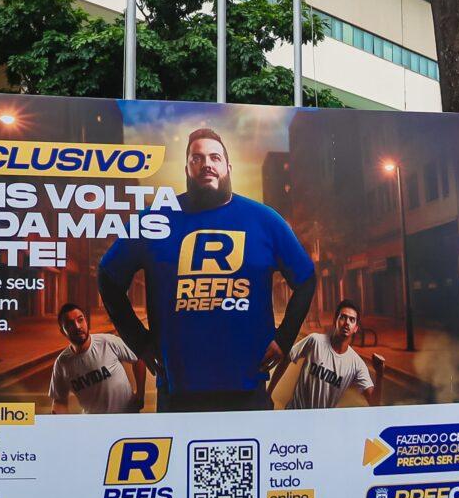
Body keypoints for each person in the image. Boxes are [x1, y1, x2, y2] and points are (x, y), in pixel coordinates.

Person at [98, 127, 315, 412]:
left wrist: (284, 339)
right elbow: (108, 276)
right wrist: (139, 341)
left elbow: (306, 279)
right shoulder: (155, 218)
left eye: (215, 157)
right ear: (187, 168)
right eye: (197, 158)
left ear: (228, 168)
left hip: (247, 386)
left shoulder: (265, 220)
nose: (206, 164)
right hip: (177, 388)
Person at [269, 299, 385, 408]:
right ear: (335, 321)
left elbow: (374, 403)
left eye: (352, 320)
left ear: (356, 328)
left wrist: (379, 375)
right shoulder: (315, 341)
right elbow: (287, 358)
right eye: (343, 317)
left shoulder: (356, 364)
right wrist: (269, 392)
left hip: (322, 420)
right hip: (296, 413)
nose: (347, 323)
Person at [48, 303, 146, 414]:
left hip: (126, 415)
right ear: (63, 331)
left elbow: (138, 358)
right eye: (70, 324)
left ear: (86, 321)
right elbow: (59, 401)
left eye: (80, 320)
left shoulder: (107, 342)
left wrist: (140, 394)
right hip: (94, 422)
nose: (77, 326)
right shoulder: (61, 363)